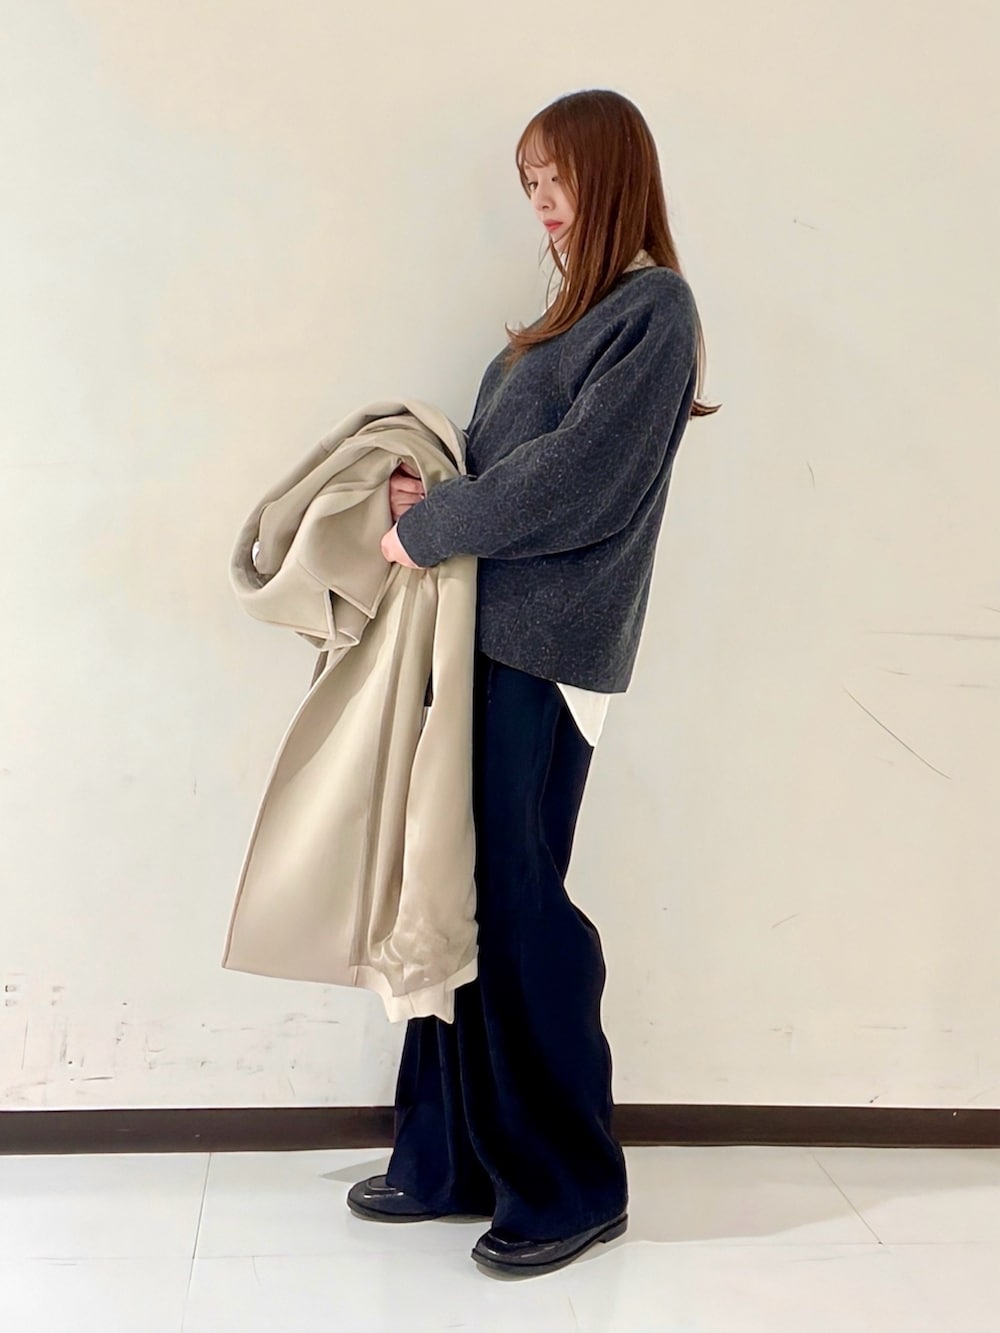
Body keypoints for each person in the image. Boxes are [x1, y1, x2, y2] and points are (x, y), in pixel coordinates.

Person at [348, 88, 720, 1279]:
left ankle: (568, 1183)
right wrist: (423, 496)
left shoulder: (653, 310)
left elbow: (578, 483)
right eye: (529, 185)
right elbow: (499, 469)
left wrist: (435, 524)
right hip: (481, 641)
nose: (542, 204)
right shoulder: (556, 328)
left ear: (610, 176)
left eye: (555, 179)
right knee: (452, 891)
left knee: (516, 906)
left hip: (548, 649)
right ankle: (451, 1155)